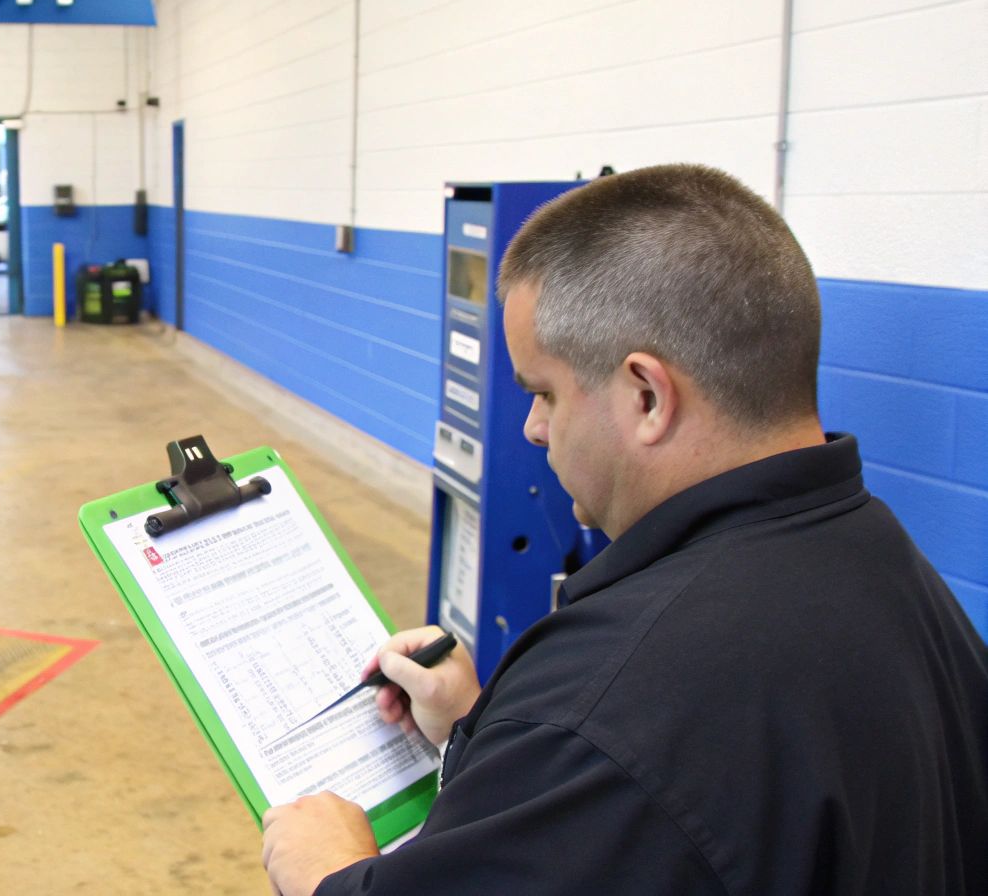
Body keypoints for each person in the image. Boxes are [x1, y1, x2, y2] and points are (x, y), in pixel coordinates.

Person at [260, 165, 988, 895]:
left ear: (647, 397)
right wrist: (482, 731)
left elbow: (635, 761)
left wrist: (329, 871)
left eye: (544, 393)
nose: (533, 427)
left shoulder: (612, 706)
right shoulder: (890, 571)